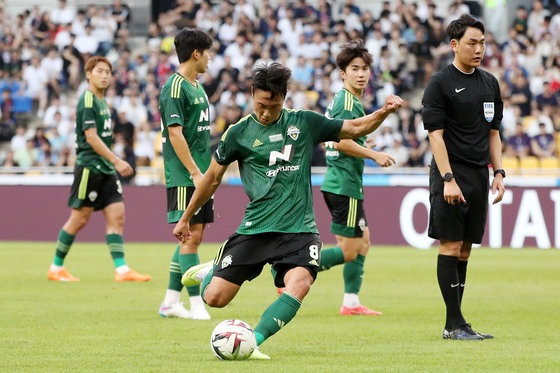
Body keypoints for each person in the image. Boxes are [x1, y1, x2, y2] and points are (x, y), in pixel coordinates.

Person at [174, 62, 403, 359]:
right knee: (214, 298)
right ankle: (210, 271)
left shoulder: (304, 122)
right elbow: (212, 179)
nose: (266, 112)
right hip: (256, 228)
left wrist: (383, 112)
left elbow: (355, 127)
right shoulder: (238, 133)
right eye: (260, 105)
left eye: (273, 105)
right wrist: (186, 217)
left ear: (284, 98)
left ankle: (252, 342)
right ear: (252, 93)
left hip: (300, 230)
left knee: (300, 283)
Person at [421, 14, 505, 341]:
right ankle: (454, 324)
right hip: (450, 174)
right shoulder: (440, 83)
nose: (479, 48)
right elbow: (435, 136)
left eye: (482, 42)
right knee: (451, 245)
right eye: (472, 42)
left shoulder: (490, 83)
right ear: (454, 44)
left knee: (466, 250)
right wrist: (447, 178)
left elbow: (493, 134)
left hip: (478, 176)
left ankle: (455, 323)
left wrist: (498, 172)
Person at [47, 56, 151, 283]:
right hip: (89, 167)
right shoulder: (87, 100)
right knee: (79, 219)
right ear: (88, 74)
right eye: (100, 71)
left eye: (108, 72)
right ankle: (56, 267)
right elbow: (91, 137)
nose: (105, 75)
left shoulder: (102, 102)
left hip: (105, 169)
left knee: (118, 216)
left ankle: (121, 270)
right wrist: (116, 160)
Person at [315, 40, 395, 316]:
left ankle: (350, 302)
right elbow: (339, 142)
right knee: (349, 251)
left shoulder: (347, 101)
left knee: (364, 242)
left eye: (364, 69)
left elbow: (339, 139)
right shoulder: (348, 102)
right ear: (343, 73)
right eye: (354, 69)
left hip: (343, 182)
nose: (361, 74)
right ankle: (291, 266)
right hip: (343, 183)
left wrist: (362, 146)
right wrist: (373, 156)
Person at [157, 28, 213, 320]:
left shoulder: (197, 86)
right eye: (207, 53)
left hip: (202, 175)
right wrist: (193, 172)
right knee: (189, 238)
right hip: (185, 176)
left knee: (195, 236)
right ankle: (197, 304)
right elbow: (175, 134)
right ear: (196, 54)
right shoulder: (175, 87)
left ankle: (169, 301)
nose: (209, 59)